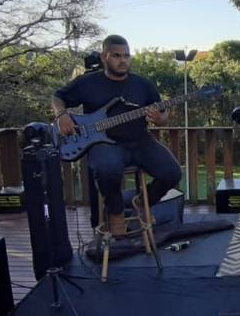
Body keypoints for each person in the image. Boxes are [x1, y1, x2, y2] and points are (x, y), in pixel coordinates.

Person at [52, 35, 182, 236]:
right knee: (107, 169)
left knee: (172, 172)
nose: (123, 60)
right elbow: (57, 97)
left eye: (127, 56)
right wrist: (61, 115)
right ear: (104, 56)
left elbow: (162, 115)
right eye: (117, 56)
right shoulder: (87, 82)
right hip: (104, 144)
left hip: (140, 141)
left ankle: (141, 202)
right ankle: (116, 214)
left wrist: (159, 118)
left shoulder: (142, 85)